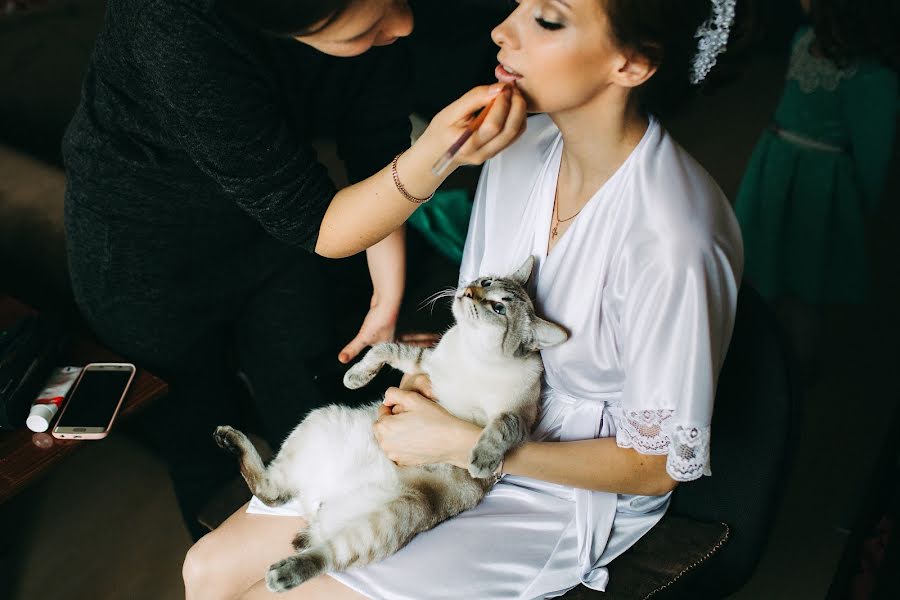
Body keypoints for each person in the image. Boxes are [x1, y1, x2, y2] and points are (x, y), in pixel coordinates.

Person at [182, 0, 744, 597]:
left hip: (562, 486)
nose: (502, 30)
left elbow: (655, 468)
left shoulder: (674, 240)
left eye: (547, 21)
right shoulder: (519, 147)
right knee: (207, 569)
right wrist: (431, 387)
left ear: (632, 65)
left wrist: (468, 445)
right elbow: (476, 323)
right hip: (458, 420)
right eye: (518, 5)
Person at [62, 0, 526, 541]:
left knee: (318, 410)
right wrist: (437, 157)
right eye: (368, 28)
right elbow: (325, 226)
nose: (404, 25)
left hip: (273, 237)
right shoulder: (174, 27)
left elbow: (375, 148)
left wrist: (385, 301)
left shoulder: (377, 23)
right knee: (203, 445)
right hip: (142, 254)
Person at [734, 0, 898, 373]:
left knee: (805, 279)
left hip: (822, 183)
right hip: (777, 166)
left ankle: (798, 364)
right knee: (765, 257)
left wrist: (859, 209)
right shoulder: (802, 38)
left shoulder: (873, 75)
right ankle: (766, 354)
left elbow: (875, 149)